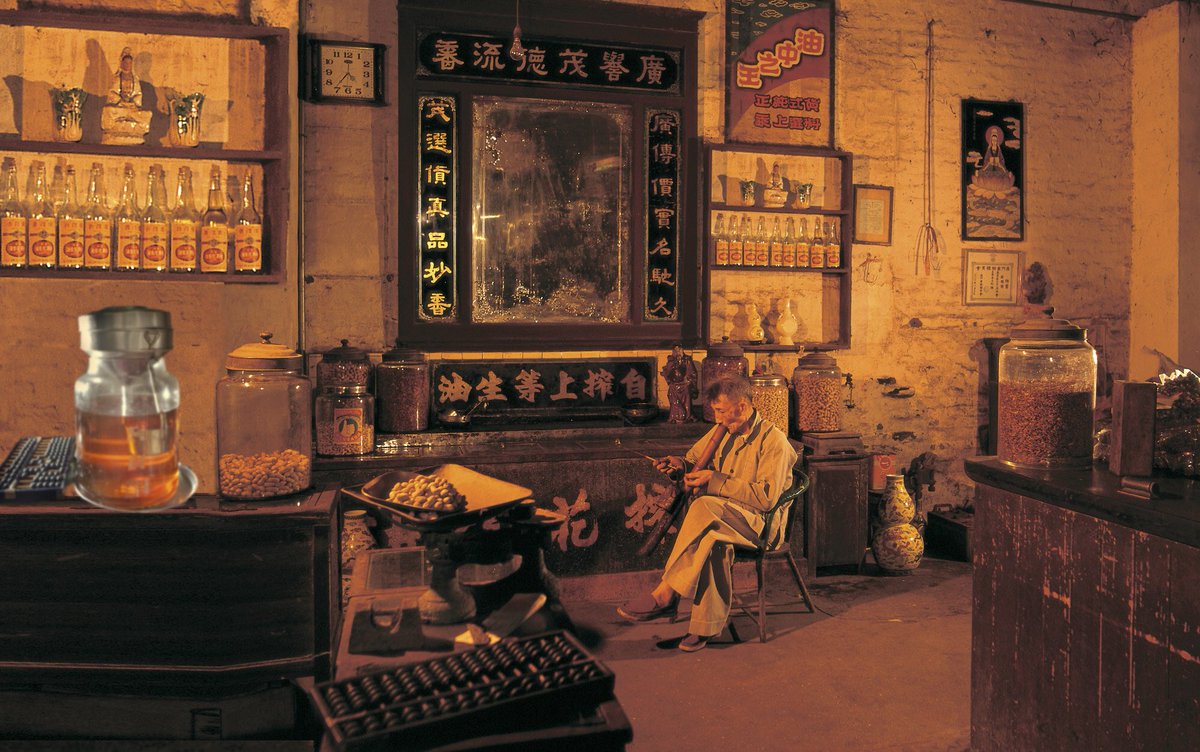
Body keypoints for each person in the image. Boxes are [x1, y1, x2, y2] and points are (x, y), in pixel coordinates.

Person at [618, 376, 798, 651]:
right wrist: (679, 465)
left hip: (759, 525)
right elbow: (693, 461)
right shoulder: (724, 429)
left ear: (742, 407)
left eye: (722, 411)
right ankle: (705, 629)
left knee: (703, 506)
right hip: (720, 520)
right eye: (715, 411)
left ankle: (666, 592)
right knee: (712, 543)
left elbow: (765, 499)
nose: (717, 417)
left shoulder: (774, 442)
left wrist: (714, 480)